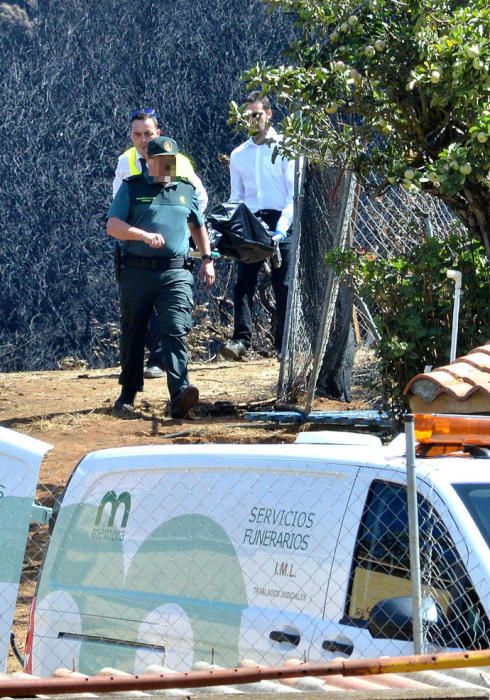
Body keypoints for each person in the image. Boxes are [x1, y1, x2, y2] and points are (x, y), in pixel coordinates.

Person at [107, 135, 215, 419]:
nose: (166, 167)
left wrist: (207, 259)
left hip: (175, 273)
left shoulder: (185, 190)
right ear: (149, 163)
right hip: (137, 273)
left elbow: (197, 226)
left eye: (171, 162)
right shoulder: (132, 188)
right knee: (133, 332)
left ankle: (179, 393)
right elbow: (114, 226)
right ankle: (127, 395)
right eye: (160, 162)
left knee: (175, 329)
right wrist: (141, 235)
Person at [220, 92, 295, 362]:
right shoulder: (239, 155)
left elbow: (292, 194)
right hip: (251, 221)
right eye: (247, 116)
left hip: (280, 219)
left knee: (283, 283)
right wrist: (230, 229)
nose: (252, 120)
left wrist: (282, 228)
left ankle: (284, 345)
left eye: (257, 115)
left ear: (269, 114)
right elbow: (236, 196)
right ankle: (241, 340)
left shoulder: (286, 147)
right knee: (244, 282)